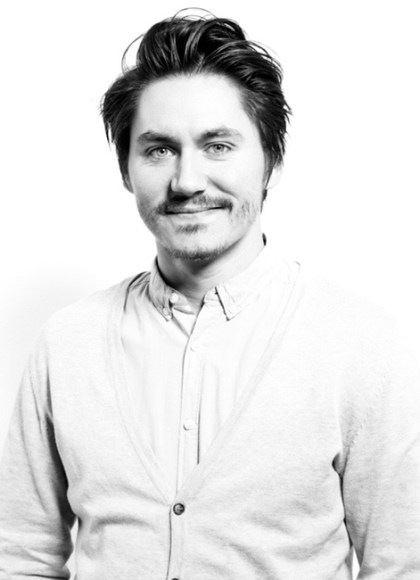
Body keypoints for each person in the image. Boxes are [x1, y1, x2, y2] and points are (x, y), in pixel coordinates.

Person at [0, 9, 419, 580]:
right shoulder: (67, 342)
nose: (187, 181)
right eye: (158, 149)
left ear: (271, 161)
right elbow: (21, 557)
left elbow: (402, 565)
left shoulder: (361, 343)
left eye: (218, 146)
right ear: (126, 170)